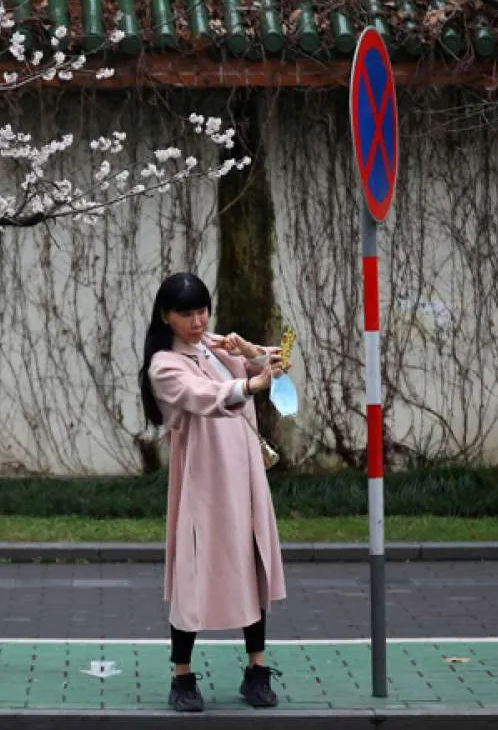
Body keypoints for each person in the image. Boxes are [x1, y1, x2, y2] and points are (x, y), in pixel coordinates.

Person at [139, 272, 290, 712]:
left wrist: (252, 355)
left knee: (254, 559)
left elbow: (270, 369)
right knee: (194, 569)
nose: (197, 320)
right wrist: (249, 383)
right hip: (203, 482)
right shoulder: (165, 364)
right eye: (186, 313)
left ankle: (257, 670)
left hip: (244, 475)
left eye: (202, 310)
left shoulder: (213, 345)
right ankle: (181, 676)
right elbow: (206, 395)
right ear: (166, 316)